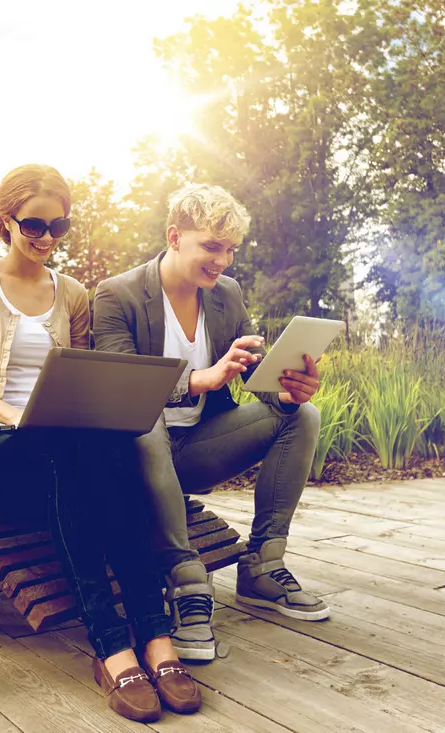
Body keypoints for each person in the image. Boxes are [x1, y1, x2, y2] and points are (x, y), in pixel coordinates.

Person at [0, 164, 201, 723]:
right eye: (34, 225)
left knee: (108, 450)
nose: (47, 239)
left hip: (60, 450)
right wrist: (17, 415)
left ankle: (152, 639)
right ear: (5, 220)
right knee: (74, 453)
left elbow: (81, 379)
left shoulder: (74, 294)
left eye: (60, 227)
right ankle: (112, 642)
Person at [93, 183, 326, 663]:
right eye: (212, 247)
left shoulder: (226, 294)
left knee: (301, 415)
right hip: (136, 453)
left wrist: (283, 389)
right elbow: (120, 391)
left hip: (199, 446)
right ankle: (185, 578)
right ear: (175, 236)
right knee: (144, 422)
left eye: (231, 250)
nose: (222, 261)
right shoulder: (117, 295)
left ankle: (263, 564)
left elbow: (245, 378)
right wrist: (201, 378)